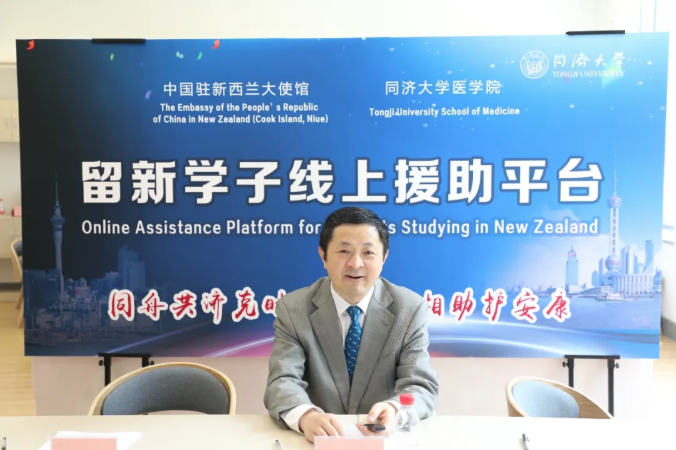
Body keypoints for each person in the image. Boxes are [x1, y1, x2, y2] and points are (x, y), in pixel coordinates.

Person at [264, 207, 439, 443]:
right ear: (323, 256)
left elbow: (421, 384)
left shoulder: (409, 309)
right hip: (317, 441)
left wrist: (395, 409)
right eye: (344, 251)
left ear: (384, 258)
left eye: (368, 252)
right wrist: (306, 416)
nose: (355, 263)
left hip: (384, 441)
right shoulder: (294, 309)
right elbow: (282, 381)